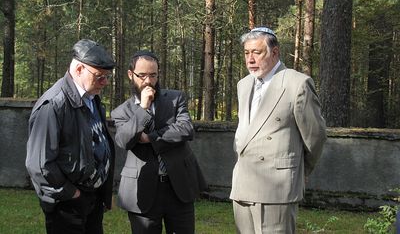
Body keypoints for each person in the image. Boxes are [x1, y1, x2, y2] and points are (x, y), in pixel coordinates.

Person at [230, 27, 327, 233]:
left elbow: (315, 136)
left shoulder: (297, 83)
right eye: (247, 53)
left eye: (257, 52)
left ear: (275, 53)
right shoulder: (244, 84)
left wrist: (300, 171)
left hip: (276, 188)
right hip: (242, 184)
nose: (250, 59)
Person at [26, 39, 116, 234]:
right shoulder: (54, 105)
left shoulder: (92, 98)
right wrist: (72, 193)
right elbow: (39, 165)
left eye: (108, 76)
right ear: (78, 69)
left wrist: (102, 190)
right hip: (67, 205)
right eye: (100, 76)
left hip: (91, 199)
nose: (105, 82)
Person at [111, 50, 206, 234]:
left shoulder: (175, 98)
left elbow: (186, 129)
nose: (148, 81)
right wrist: (143, 108)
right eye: (142, 75)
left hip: (178, 186)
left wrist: (150, 138)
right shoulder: (121, 112)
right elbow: (124, 140)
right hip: (143, 190)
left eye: (153, 75)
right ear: (131, 74)